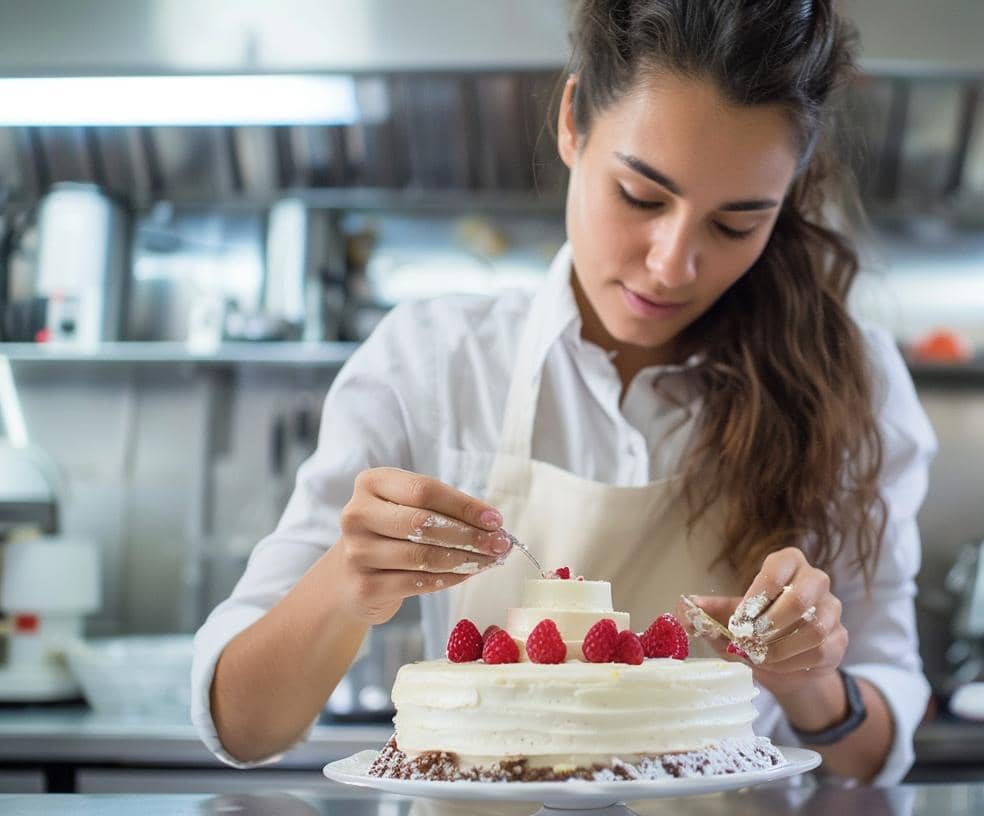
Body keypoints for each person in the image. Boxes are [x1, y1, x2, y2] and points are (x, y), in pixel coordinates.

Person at [192, 0, 936, 786]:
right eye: (641, 198)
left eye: (736, 224)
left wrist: (810, 678)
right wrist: (348, 580)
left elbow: (875, 759)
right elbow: (244, 729)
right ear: (573, 121)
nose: (672, 264)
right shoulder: (431, 362)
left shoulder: (853, 385)